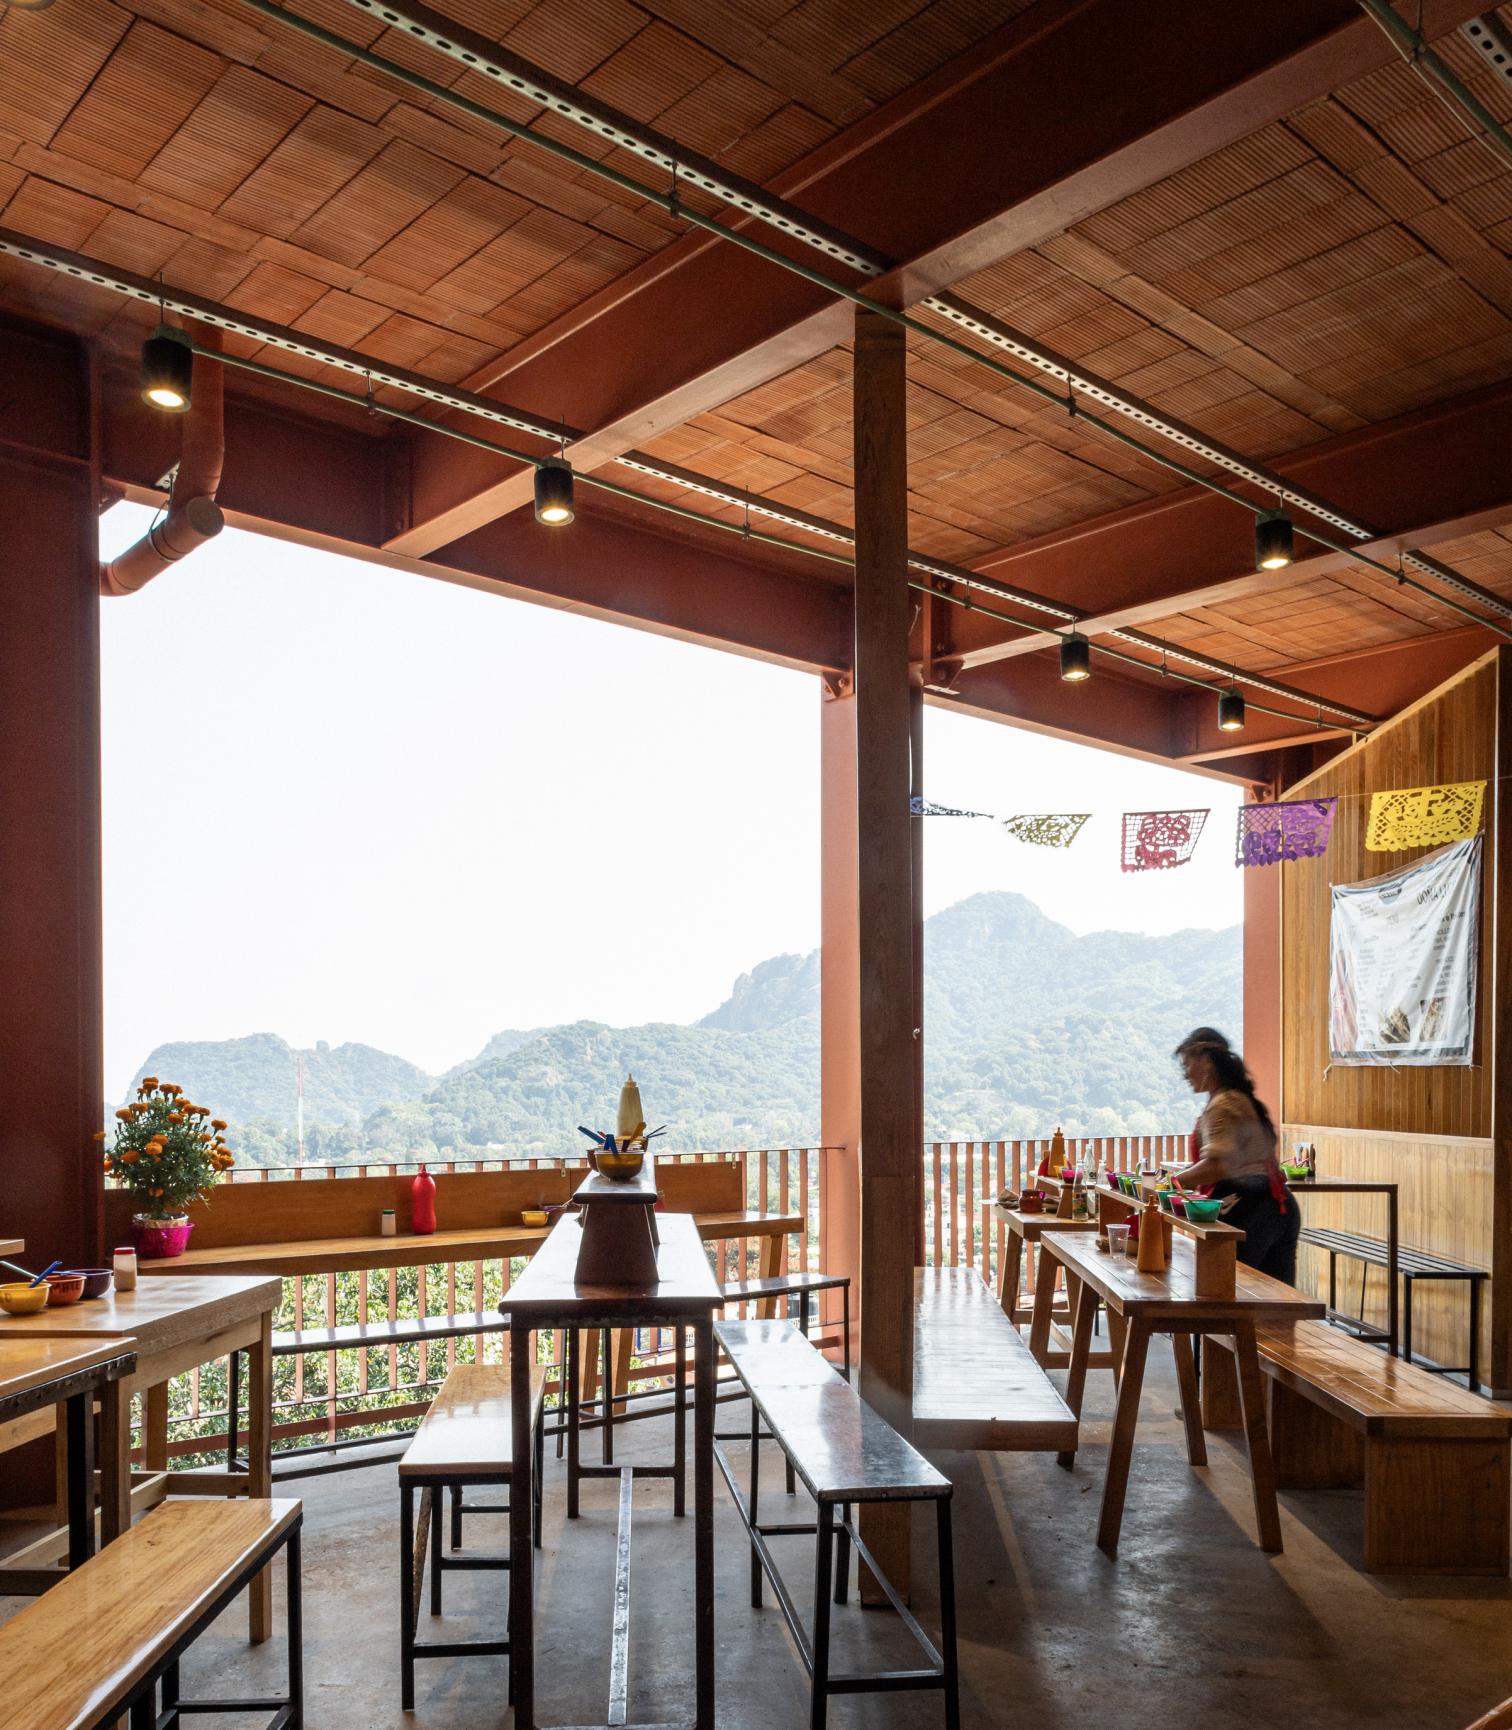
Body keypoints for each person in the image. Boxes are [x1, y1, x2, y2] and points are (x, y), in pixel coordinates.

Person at [1171, 1028, 1300, 1283]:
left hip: (1250, 1208)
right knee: (1275, 1311)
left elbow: (1217, 1166)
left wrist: (1172, 1182)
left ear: (1206, 1061)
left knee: (1221, 1293)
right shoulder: (1236, 1098)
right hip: (1277, 1205)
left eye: (1187, 1065)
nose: (1185, 1074)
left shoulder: (1224, 1104)